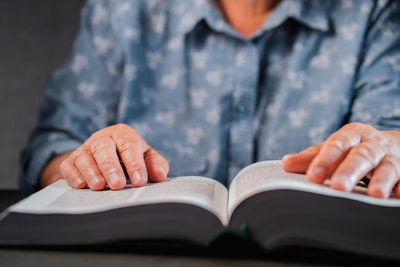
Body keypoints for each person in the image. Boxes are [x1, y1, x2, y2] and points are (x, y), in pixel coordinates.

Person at [20, 0, 400, 199]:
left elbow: (388, 136)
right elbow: (52, 146)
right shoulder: (122, 9)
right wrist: (88, 163)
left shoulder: (372, 11)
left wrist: (389, 150)